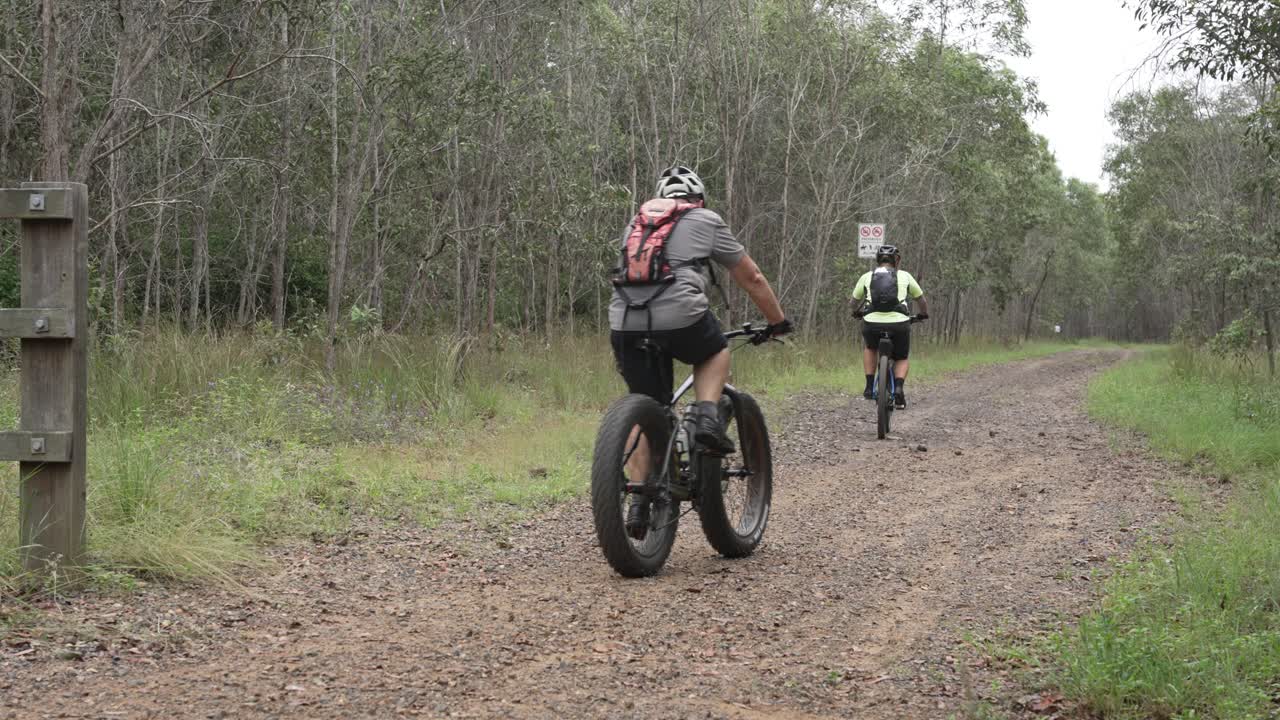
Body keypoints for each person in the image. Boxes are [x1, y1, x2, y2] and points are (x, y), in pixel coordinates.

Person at [610, 165, 791, 534]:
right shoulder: (705, 218)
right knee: (713, 351)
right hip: (680, 315)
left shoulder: (636, 223)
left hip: (624, 321)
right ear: (699, 199)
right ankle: (708, 415)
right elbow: (751, 277)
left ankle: (639, 504)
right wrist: (777, 322)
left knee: (646, 405)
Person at [851, 244, 928, 409]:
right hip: (899, 323)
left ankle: (869, 386)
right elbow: (921, 300)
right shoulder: (905, 276)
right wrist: (923, 314)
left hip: (871, 323)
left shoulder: (867, 276)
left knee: (870, 348)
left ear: (878, 260)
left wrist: (855, 312)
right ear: (896, 261)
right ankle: (899, 388)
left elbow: (853, 302)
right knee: (901, 357)